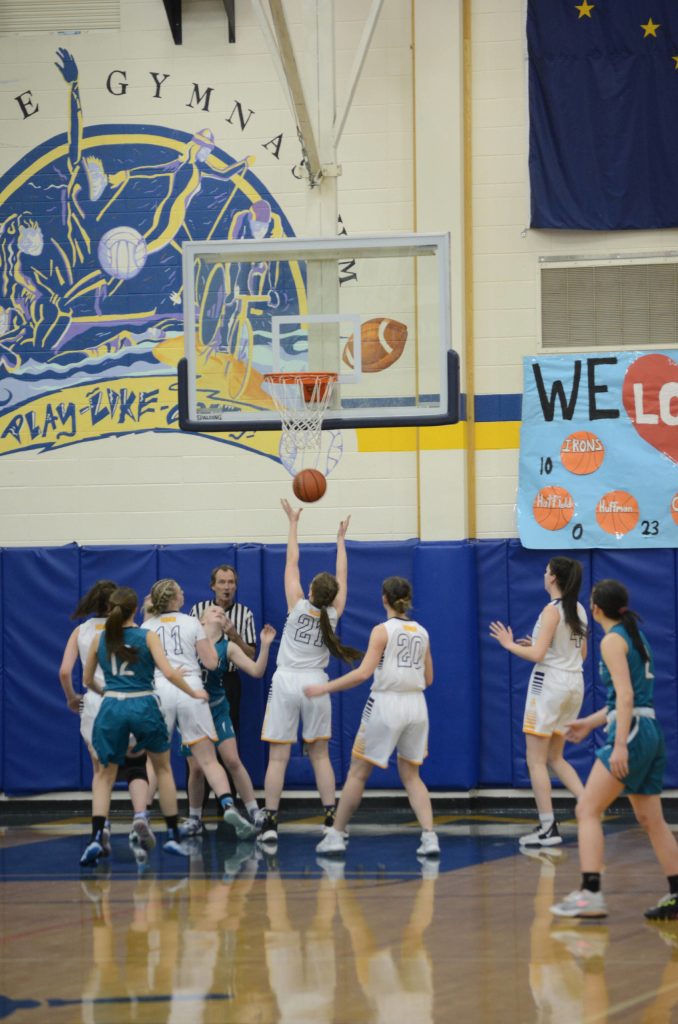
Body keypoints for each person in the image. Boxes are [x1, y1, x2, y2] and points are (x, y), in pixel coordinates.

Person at [551, 579, 678, 920]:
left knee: (588, 810)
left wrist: (619, 743)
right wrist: (590, 723)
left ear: (595, 609)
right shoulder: (635, 636)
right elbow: (627, 698)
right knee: (651, 819)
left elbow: (625, 697)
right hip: (650, 729)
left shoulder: (611, 641)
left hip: (633, 732)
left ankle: (590, 894)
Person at [79, 586, 209, 866]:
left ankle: (95, 837)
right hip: (143, 704)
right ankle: (173, 834)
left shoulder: (99, 640)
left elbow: (87, 680)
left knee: (104, 776)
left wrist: (109, 694)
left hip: (112, 706)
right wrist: (193, 692)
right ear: (135, 609)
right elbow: (170, 672)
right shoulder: (147, 636)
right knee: (162, 768)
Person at [311, 576, 440, 859]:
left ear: (384, 599)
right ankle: (430, 837)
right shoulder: (423, 632)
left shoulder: (381, 631)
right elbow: (429, 679)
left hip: (386, 704)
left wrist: (324, 687)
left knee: (358, 772)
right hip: (417, 707)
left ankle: (335, 835)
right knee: (412, 776)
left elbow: (362, 673)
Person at [257, 499, 360, 847]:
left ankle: (270, 823)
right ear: (331, 597)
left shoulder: (297, 603)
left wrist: (293, 522)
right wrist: (341, 540)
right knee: (320, 755)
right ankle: (331, 817)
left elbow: (292, 561)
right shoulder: (334, 614)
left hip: (286, 681)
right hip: (317, 684)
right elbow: (343, 576)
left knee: (278, 756)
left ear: (312, 591)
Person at [142, 578, 257, 839]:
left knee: (155, 762)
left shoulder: (147, 626)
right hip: (190, 689)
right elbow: (212, 662)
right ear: (173, 599)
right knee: (207, 759)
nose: (184, 593)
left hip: (160, 689)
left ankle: (143, 815)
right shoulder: (192, 622)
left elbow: (143, 666)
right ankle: (227, 803)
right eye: (180, 591)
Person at [489, 557, 587, 847]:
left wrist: (508, 645)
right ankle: (589, 807)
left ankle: (548, 828)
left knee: (535, 761)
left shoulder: (551, 610)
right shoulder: (579, 609)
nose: (544, 575)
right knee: (555, 758)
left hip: (550, 685)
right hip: (574, 683)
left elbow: (537, 656)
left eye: (546, 571)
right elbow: (578, 656)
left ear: (554, 578)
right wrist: (536, 646)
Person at [181, 605, 276, 836]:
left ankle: (254, 811)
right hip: (193, 711)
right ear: (201, 620)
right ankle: (195, 818)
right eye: (213, 611)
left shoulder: (229, 646)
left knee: (232, 760)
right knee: (196, 769)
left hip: (217, 708)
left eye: (222, 613)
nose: (219, 613)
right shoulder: (190, 641)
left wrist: (264, 646)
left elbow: (256, 671)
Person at [190, 563, 256, 745]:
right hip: (200, 677)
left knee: (228, 732)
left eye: (231, 582)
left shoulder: (245, 614)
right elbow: (187, 643)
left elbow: (251, 655)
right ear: (213, 586)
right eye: (222, 582)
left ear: (236, 586)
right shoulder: (198, 610)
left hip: (229, 679)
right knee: (196, 732)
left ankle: (225, 771)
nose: (226, 587)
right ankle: (197, 771)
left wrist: (234, 636)